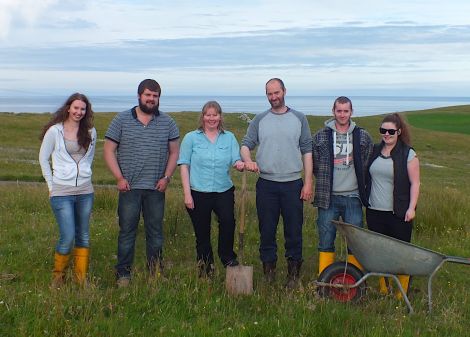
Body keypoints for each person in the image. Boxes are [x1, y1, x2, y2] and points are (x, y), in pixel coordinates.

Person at [103, 79, 179, 287]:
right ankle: (123, 275)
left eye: (155, 96)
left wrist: (167, 177)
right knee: (127, 232)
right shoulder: (121, 120)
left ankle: (155, 272)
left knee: (155, 233)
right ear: (139, 96)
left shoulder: (168, 122)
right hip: (129, 188)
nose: (151, 99)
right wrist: (119, 177)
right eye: (148, 95)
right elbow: (109, 150)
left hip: (156, 188)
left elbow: (174, 152)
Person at [241, 78, 313, 288]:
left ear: (284, 91)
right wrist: (248, 160)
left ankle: (293, 276)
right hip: (266, 185)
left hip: (293, 184)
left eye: (276, 93)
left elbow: (307, 150)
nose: (273, 97)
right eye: (269, 94)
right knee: (267, 230)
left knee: (294, 231)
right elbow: (246, 144)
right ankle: (269, 275)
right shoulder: (259, 119)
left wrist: (307, 183)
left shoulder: (299, 118)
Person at [178, 101, 245, 277]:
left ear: (220, 117)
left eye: (215, 115)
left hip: (223, 191)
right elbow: (184, 165)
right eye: (208, 115)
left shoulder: (229, 137)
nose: (211, 118)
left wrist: (240, 164)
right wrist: (187, 194)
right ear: (203, 117)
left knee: (228, 222)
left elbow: (235, 159)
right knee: (202, 232)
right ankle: (206, 268)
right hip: (198, 192)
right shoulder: (191, 138)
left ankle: (227, 257)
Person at [39, 93, 96, 287]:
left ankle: (81, 279)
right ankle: (58, 276)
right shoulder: (55, 131)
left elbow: (89, 159)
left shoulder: (90, 132)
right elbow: (43, 159)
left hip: (85, 191)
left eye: (83, 109)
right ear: (68, 108)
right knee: (68, 235)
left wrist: (86, 174)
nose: (79, 112)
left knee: (84, 235)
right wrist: (51, 185)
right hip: (61, 192)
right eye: (76, 108)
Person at [312, 96, 373, 276]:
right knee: (325, 238)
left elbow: (367, 163)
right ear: (333, 111)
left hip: (353, 197)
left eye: (346, 111)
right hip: (328, 197)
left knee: (354, 242)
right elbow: (315, 165)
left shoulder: (362, 136)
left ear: (351, 112)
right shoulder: (321, 136)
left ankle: (355, 279)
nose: (342, 114)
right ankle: (324, 280)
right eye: (339, 111)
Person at [366, 113, 420, 298]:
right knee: (379, 253)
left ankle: (401, 293)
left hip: (399, 213)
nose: (386, 134)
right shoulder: (374, 150)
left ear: (399, 131)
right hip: (375, 212)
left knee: (401, 253)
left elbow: (415, 183)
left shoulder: (408, 154)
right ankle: (383, 288)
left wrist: (411, 208)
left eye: (390, 131)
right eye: (383, 130)